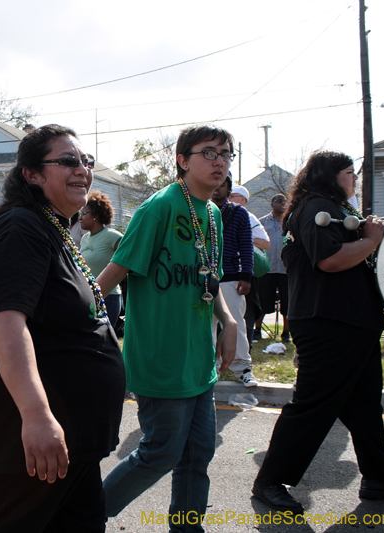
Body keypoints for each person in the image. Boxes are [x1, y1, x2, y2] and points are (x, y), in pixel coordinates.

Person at [0, 124, 125, 532]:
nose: (82, 169)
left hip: (72, 445)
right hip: (24, 448)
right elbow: (7, 325)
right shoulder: (20, 227)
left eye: (86, 161)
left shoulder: (54, 229)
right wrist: (36, 415)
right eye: (68, 161)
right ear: (31, 174)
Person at [252, 150, 384, 515]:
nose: (354, 179)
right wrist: (371, 240)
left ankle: (380, 478)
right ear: (330, 175)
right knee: (313, 405)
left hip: (351, 321)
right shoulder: (314, 208)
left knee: (363, 406)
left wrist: (369, 234)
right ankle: (269, 481)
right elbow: (329, 260)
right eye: (349, 172)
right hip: (328, 322)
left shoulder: (336, 208)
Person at [94, 124, 238, 532]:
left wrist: (226, 320)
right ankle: (84, 516)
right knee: (160, 453)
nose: (220, 161)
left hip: (199, 361)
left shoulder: (212, 214)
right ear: (182, 160)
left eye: (226, 153)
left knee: (198, 455)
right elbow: (112, 274)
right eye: (209, 152)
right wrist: (73, 321)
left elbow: (210, 279)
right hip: (160, 358)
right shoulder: (158, 208)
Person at [210, 174, 257, 387]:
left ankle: (243, 368)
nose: (217, 188)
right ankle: (209, 369)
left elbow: (246, 246)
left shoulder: (239, 213)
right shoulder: (199, 211)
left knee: (235, 324)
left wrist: (246, 275)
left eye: (223, 184)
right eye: (214, 184)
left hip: (230, 278)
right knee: (206, 326)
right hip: (203, 279)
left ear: (229, 190)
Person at [228, 184, 271, 350]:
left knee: (246, 310)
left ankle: (244, 349)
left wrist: (242, 239)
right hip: (228, 270)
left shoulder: (248, 216)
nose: (229, 198)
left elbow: (266, 243)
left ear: (243, 199)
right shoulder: (222, 213)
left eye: (233, 196)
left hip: (245, 270)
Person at [79, 190, 123, 320]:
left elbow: (130, 259)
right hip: (89, 296)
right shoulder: (84, 238)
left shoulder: (112, 236)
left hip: (110, 298)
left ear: (96, 215)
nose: (80, 217)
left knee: (105, 339)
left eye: (84, 213)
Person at [256, 194, 290, 342]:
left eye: (284, 201)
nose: (282, 204)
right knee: (263, 301)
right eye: (278, 201)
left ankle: (286, 332)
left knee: (287, 303)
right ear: (272, 204)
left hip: (285, 269)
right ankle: (257, 329)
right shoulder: (262, 222)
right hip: (267, 270)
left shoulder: (290, 222)